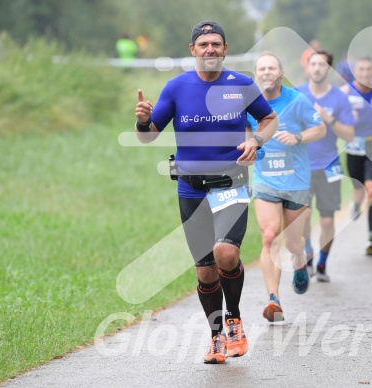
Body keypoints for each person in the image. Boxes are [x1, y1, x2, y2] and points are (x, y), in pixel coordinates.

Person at [134, 21, 278, 364]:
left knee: (226, 254)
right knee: (204, 270)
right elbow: (148, 136)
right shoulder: (177, 87)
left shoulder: (242, 84)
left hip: (231, 184)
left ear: (225, 49)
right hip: (191, 190)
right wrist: (142, 120)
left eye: (216, 44)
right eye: (204, 44)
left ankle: (235, 321)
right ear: (193, 50)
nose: (210, 49)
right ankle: (216, 338)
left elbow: (269, 120)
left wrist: (255, 140)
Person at [248, 52, 325, 322]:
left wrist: (298, 136)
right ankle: (273, 299)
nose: (267, 72)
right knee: (269, 236)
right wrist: (251, 147)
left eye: (272, 68)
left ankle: (300, 258)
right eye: (262, 69)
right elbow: (245, 134)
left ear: (281, 73)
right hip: (265, 180)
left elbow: (321, 129)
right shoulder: (250, 103)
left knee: (293, 243)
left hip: (296, 181)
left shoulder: (297, 100)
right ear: (256, 75)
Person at [296, 50, 355, 282]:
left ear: (329, 69)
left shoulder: (340, 99)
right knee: (304, 214)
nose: (318, 68)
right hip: (302, 165)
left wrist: (327, 118)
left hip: (330, 164)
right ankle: (308, 251)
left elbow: (350, 135)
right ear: (308, 68)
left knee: (328, 219)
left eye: (322, 65)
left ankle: (322, 265)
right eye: (314, 64)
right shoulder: (297, 94)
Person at [340, 56, 372, 257]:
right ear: (355, 71)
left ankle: (371, 237)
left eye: (369, 69)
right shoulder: (345, 92)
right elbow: (336, 117)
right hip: (353, 148)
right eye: (361, 69)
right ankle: (356, 202)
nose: (365, 73)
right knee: (359, 190)